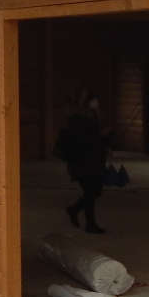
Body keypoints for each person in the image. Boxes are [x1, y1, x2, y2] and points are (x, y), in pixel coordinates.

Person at [53, 91, 109, 234]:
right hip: (83, 162)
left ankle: (75, 210)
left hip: (91, 161)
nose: (97, 104)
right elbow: (84, 140)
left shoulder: (91, 116)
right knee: (91, 191)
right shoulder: (81, 118)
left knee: (94, 191)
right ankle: (89, 223)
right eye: (94, 101)